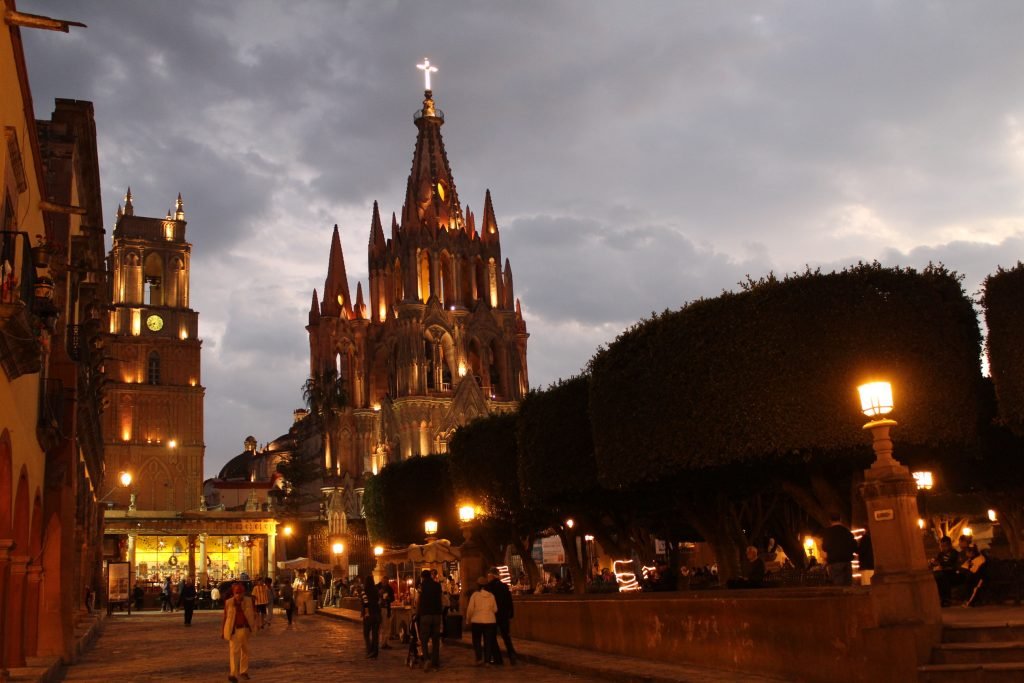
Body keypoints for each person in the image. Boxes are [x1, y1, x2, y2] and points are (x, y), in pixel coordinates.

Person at [222, 581, 256, 683]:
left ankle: (244, 671)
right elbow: (225, 617)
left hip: (245, 629)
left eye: (240, 593)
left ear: (244, 593)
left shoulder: (248, 601)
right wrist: (223, 631)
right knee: (234, 653)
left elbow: (253, 614)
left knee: (245, 651)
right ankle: (233, 674)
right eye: (237, 593)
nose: (238, 595)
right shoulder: (229, 603)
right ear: (233, 593)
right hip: (234, 631)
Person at [486, 567, 518, 665]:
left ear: (491, 576)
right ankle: (512, 655)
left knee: (492, 637)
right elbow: (509, 601)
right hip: (504, 615)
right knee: (506, 636)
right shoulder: (504, 586)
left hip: (493, 615)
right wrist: (511, 613)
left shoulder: (488, 587)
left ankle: (497, 658)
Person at [466, 576, 498, 665]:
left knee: (477, 641)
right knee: (488, 641)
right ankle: (487, 660)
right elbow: (495, 609)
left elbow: (470, 609)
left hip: (477, 621)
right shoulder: (491, 596)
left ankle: (479, 658)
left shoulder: (475, 595)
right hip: (490, 621)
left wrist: (468, 619)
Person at [821, 514, 858, 586]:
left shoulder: (828, 532)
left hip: (834, 561)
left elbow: (825, 547)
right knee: (848, 585)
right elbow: (854, 545)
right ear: (840, 519)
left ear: (830, 521)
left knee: (838, 585)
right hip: (847, 560)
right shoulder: (846, 531)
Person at [418, 569, 443, 671]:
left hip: (426, 614)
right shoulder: (437, 585)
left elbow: (419, 600)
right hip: (437, 614)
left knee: (424, 639)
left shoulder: (421, 586)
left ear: (423, 577)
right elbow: (440, 598)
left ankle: (427, 659)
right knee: (436, 639)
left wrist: (418, 612)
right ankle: (435, 662)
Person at [930, 535, 961, 606]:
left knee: (943, 577)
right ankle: (941, 598)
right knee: (937, 577)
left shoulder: (954, 553)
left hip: (953, 574)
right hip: (942, 573)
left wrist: (941, 564)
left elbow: (952, 564)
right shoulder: (941, 554)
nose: (943, 548)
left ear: (949, 545)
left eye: (944, 546)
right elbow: (937, 561)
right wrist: (933, 563)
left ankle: (947, 599)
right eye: (942, 546)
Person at [361, 575, 381, 658]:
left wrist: (366, 613)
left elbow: (365, 603)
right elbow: (378, 600)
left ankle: (369, 650)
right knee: (375, 634)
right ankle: (375, 651)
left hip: (368, 614)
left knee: (366, 633)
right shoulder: (376, 590)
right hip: (376, 613)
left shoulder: (364, 591)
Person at [378, 577, 394, 649]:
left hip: (386, 608)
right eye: (383, 581)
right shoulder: (377, 587)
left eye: (386, 581)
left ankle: (384, 642)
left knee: (386, 626)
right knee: (380, 626)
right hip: (379, 609)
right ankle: (380, 642)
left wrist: (388, 598)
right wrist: (379, 594)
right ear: (381, 581)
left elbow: (392, 598)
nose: (385, 582)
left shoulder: (389, 588)